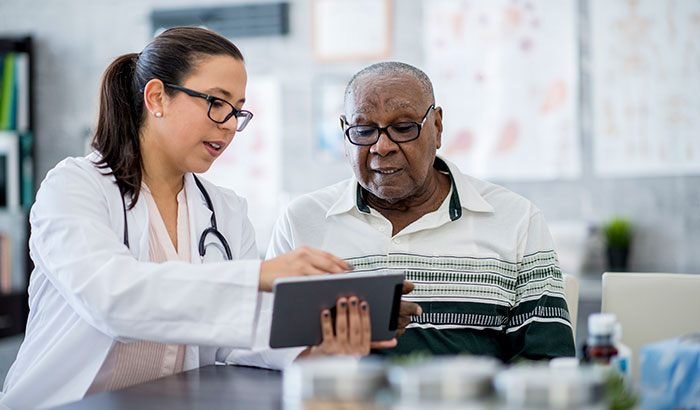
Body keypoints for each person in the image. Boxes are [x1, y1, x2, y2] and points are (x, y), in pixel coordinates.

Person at [0, 27, 385, 409]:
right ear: (157, 98)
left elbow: (236, 337)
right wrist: (256, 277)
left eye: (237, 110)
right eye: (216, 102)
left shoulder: (226, 210)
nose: (231, 124)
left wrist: (314, 347)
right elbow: (111, 299)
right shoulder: (74, 186)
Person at [262, 62, 576, 362]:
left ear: (437, 127)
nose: (382, 146)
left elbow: (546, 360)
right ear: (344, 132)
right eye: (363, 130)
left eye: (402, 127)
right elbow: (263, 349)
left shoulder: (516, 220)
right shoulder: (302, 221)